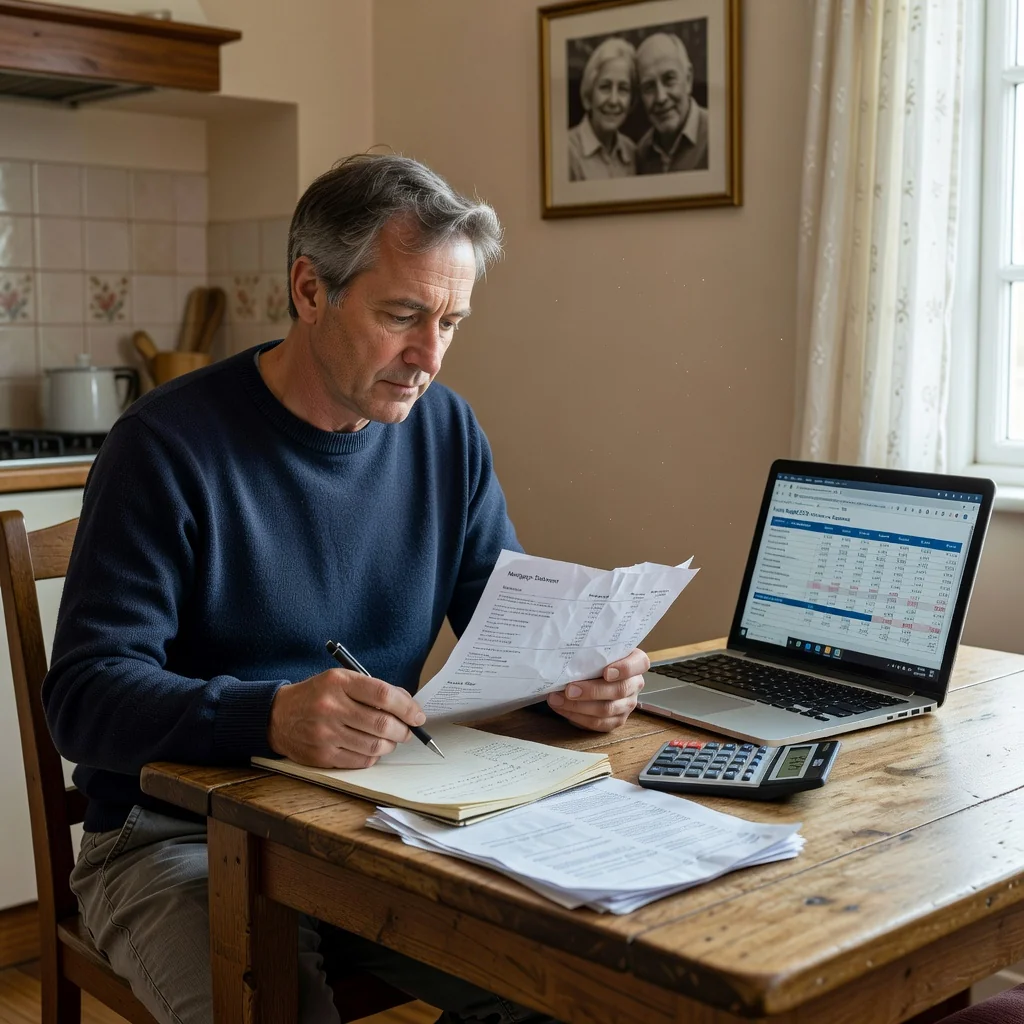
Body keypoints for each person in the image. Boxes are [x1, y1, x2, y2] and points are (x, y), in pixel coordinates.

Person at [42, 154, 650, 1024]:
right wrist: (269, 716)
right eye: (402, 315)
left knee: (586, 985)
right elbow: (83, 698)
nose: (428, 356)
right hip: (178, 838)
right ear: (309, 290)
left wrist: (579, 675)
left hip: (379, 818)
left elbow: (509, 625)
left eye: (450, 322)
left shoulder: (446, 432)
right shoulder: (165, 445)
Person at [635, 32, 709, 174]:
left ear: (688, 79)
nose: (660, 98)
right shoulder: (641, 154)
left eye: (669, 79)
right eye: (649, 86)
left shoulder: (719, 134)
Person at [568, 36, 637, 181]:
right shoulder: (566, 151)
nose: (613, 100)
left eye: (623, 89)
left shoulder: (632, 152)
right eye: (605, 87)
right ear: (589, 96)